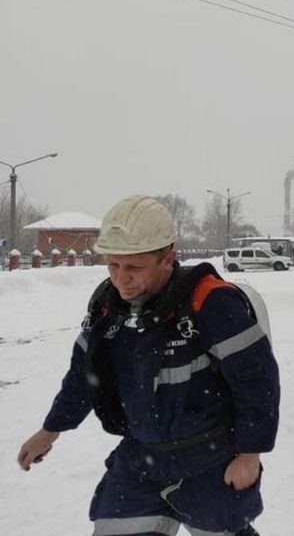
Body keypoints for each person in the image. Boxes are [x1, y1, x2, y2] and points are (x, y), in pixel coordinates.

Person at [17, 195, 279, 535]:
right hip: (140, 459)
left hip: (210, 460)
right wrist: (50, 431)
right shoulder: (107, 308)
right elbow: (83, 377)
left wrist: (250, 455)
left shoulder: (212, 303)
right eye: (113, 265)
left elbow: (257, 383)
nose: (120, 279)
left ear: (168, 259)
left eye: (134, 268)